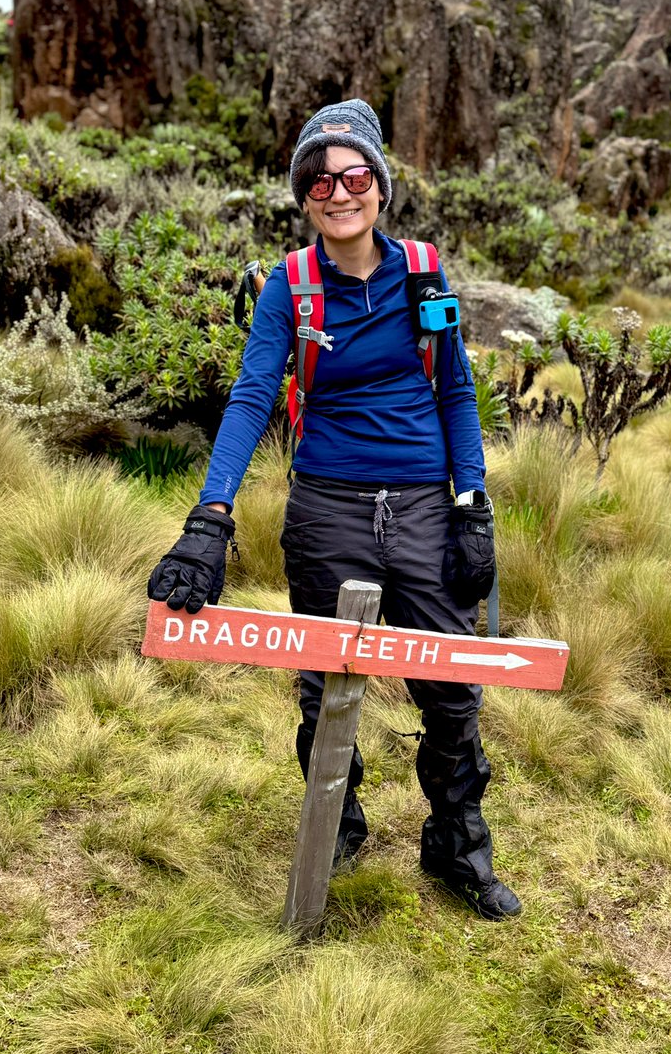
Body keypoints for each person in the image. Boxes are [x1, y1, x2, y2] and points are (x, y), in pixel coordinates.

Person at [148, 99, 521, 920]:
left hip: (425, 505)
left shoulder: (423, 273)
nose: (337, 190)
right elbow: (251, 397)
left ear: (380, 186)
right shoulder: (291, 283)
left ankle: (456, 846)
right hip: (327, 510)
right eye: (319, 178)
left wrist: (472, 504)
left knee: (453, 687)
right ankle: (338, 824)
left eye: (354, 174)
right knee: (326, 685)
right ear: (304, 195)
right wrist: (210, 518)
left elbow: (456, 391)